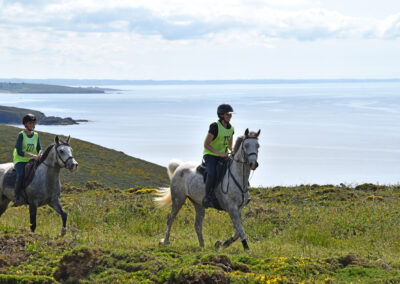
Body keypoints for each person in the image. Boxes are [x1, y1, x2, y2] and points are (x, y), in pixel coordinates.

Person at [202, 104, 234, 208]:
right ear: (221, 115)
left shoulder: (231, 128)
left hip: (223, 155)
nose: (230, 116)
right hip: (210, 155)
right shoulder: (215, 126)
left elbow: (229, 145)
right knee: (212, 174)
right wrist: (219, 153)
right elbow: (206, 144)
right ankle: (207, 197)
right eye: (227, 114)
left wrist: (233, 151)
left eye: (230, 114)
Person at [12, 114, 42, 206]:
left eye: (33, 123)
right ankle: (16, 197)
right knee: (20, 175)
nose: (32, 125)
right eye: (30, 123)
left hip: (32, 159)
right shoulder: (21, 135)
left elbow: (39, 148)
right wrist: (33, 156)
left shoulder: (36, 135)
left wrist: (40, 153)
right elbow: (20, 152)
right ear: (25, 124)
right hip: (20, 159)